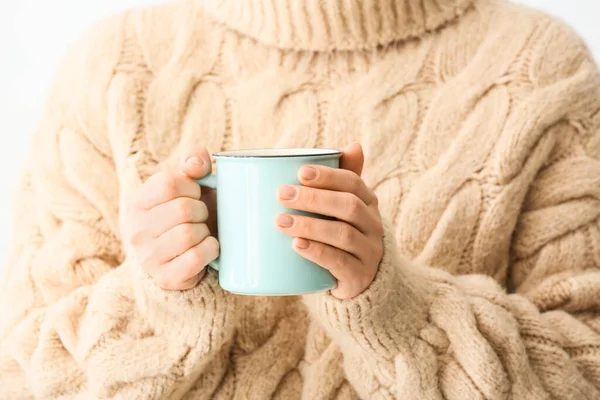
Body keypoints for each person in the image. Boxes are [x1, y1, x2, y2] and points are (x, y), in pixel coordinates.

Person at [1, 0, 600, 398]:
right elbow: (24, 374)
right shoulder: (113, 66)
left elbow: (585, 372)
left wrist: (400, 313)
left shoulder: (540, 69)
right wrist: (155, 304)